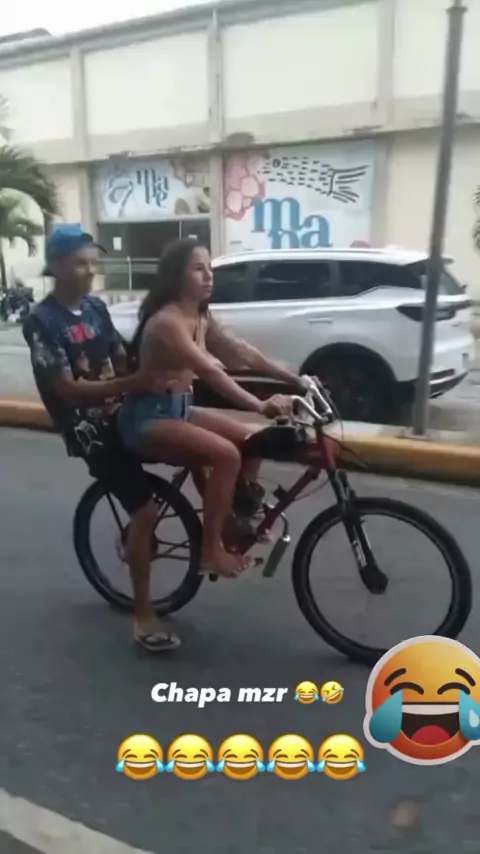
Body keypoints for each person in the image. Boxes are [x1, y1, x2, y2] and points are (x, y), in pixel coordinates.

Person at [23, 223, 181, 654]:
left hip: (121, 408)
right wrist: (132, 384)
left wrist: (161, 372)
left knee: (196, 438)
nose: (91, 271)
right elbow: (68, 391)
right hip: (88, 427)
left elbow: (121, 356)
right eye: (81, 264)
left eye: (93, 263)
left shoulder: (95, 307)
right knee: (145, 511)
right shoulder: (41, 320)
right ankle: (143, 615)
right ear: (57, 267)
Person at [117, 237, 308, 579]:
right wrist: (260, 404)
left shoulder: (200, 315)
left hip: (180, 410)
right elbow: (210, 372)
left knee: (253, 442)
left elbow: (241, 352)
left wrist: (296, 379)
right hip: (147, 418)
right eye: (197, 269)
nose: (208, 276)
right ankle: (210, 551)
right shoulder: (167, 322)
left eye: (209, 268)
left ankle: (234, 522)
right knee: (226, 455)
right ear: (177, 276)